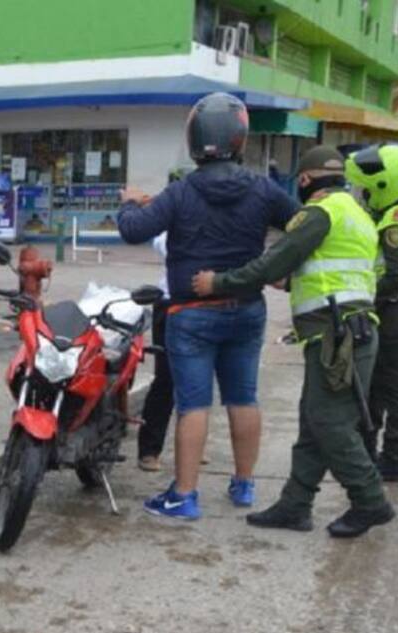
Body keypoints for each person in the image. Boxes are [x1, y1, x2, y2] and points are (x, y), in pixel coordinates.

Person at [191, 146, 394, 538]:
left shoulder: (318, 213)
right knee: (312, 422)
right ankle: (295, 504)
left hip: (338, 335)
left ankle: (369, 499)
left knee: (329, 422)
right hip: (350, 329)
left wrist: (217, 282)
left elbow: (273, 262)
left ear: (304, 180)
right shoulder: (357, 213)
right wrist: (293, 280)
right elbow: (333, 273)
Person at [118, 92, 300, 521]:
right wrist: (273, 270)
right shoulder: (262, 189)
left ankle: (184, 495)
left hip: (191, 315)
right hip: (247, 309)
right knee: (243, 397)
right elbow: (304, 225)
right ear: (240, 137)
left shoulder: (181, 192)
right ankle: (244, 484)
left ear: (194, 138)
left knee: (194, 404)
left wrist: (129, 200)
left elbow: (133, 229)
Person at [345, 144, 398, 482]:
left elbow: (393, 276)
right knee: (378, 384)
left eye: (368, 187)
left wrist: (362, 301)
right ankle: (372, 450)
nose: (363, 193)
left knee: (395, 386)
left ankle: (395, 457)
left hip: (397, 310)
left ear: (388, 185)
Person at [136, 232, 175, 472]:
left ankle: (193, 443)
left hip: (211, 304)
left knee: (199, 381)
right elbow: (162, 243)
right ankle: (149, 450)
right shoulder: (180, 202)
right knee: (166, 379)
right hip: (171, 302)